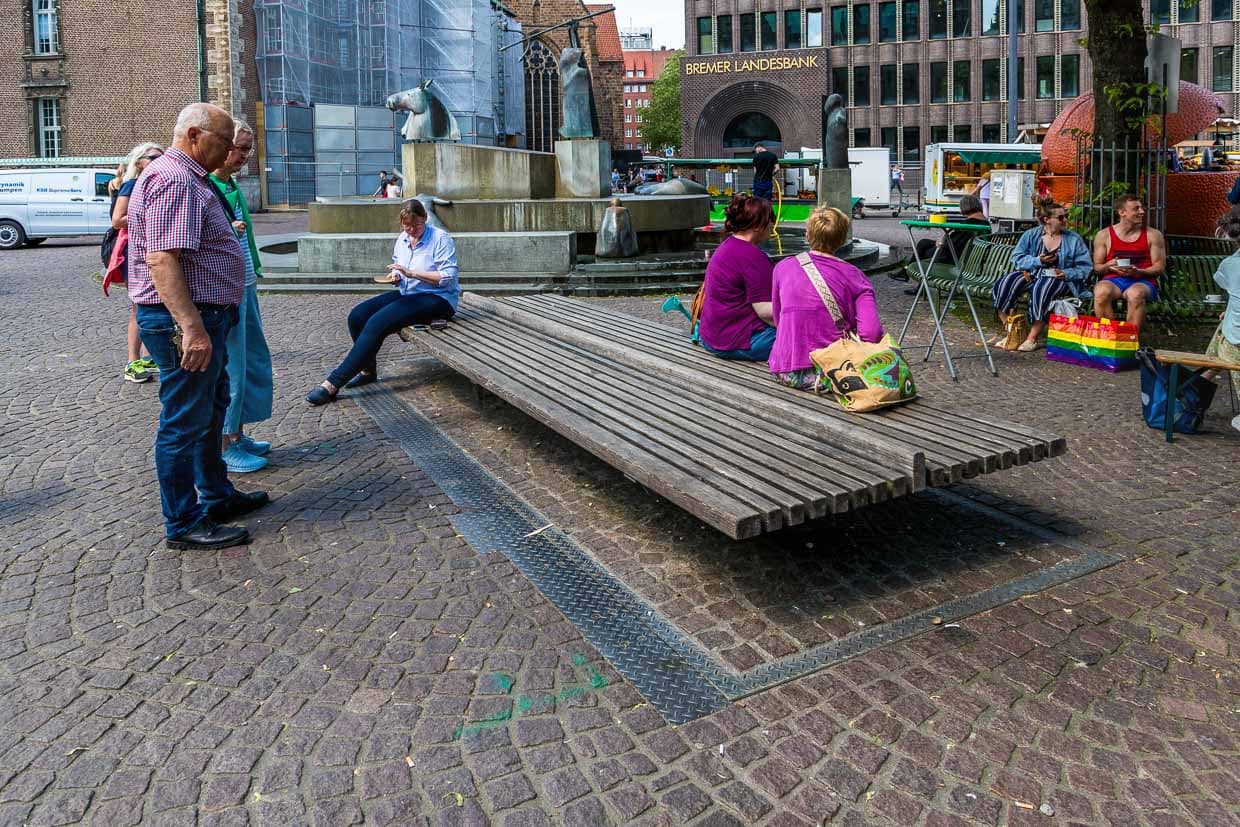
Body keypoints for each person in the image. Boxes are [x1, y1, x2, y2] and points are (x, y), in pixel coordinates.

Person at [128, 102, 269, 551]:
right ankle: (184, 522)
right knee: (184, 420)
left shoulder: (188, 177)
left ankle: (217, 496)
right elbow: (162, 260)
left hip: (205, 314)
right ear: (193, 135)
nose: (230, 149)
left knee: (208, 412)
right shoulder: (175, 180)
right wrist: (191, 328)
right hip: (188, 319)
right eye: (224, 140)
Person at [307, 199, 459, 404]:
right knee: (357, 316)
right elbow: (400, 267)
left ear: (425, 219)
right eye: (407, 227)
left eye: (417, 226)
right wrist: (397, 275)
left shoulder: (440, 238)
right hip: (409, 293)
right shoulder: (403, 239)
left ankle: (332, 384)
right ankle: (368, 371)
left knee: (377, 323)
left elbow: (447, 277)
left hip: (438, 299)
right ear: (401, 224)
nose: (412, 231)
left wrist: (411, 273)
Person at [210, 120, 275, 474]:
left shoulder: (229, 184)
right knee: (232, 367)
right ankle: (223, 443)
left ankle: (237, 434)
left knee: (250, 361)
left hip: (245, 282)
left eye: (249, 150)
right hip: (228, 289)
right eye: (241, 149)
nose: (245, 157)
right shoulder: (210, 186)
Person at [768, 207, 883, 389]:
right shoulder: (855, 276)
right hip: (833, 374)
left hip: (784, 370)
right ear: (843, 240)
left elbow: (777, 318)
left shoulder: (782, 268)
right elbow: (872, 333)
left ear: (807, 236)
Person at [991, 202, 1094, 351]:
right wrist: (1038, 260)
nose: (1065, 220)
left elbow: (1086, 267)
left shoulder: (1073, 239)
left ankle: (1032, 338)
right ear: (1047, 219)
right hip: (1032, 273)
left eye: (1066, 216)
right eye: (1061, 217)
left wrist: (1066, 273)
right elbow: (1017, 258)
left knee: (1042, 290)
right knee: (1004, 284)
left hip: (1058, 278)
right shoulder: (1031, 235)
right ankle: (1013, 333)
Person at [698, 194, 776, 361]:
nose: (772, 225)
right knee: (803, 336)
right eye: (770, 220)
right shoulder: (753, 257)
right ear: (757, 225)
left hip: (711, 336)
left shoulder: (728, 245)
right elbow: (766, 313)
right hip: (739, 341)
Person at [111, 143, 164, 383]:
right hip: (136, 252)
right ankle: (132, 362)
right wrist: (152, 213)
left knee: (154, 303)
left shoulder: (154, 183)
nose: (158, 161)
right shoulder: (133, 184)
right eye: (153, 157)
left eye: (161, 157)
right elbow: (117, 220)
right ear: (139, 162)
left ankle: (147, 356)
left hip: (151, 249)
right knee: (139, 307)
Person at [1092, 193, 1166, 334]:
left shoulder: (1153, 235)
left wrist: (1138, 271)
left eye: (1142, 208)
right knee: (1101, 292)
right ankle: (1111, 338)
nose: (1142, 212)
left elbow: (1159, 267)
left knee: (1135, 293)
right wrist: (1108, 266)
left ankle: (1130, 341)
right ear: (1122, 213)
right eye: (1136, 209)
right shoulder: (1104, 235)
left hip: (1143, 280)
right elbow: (1097, 267)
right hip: (1114, 279)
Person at [1207, 206, 1240, 432]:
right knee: (1224, 326)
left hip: (1235, 343)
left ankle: (1193, 390)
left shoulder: (1229, 266)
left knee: (1226, 342)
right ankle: (1199, 382)